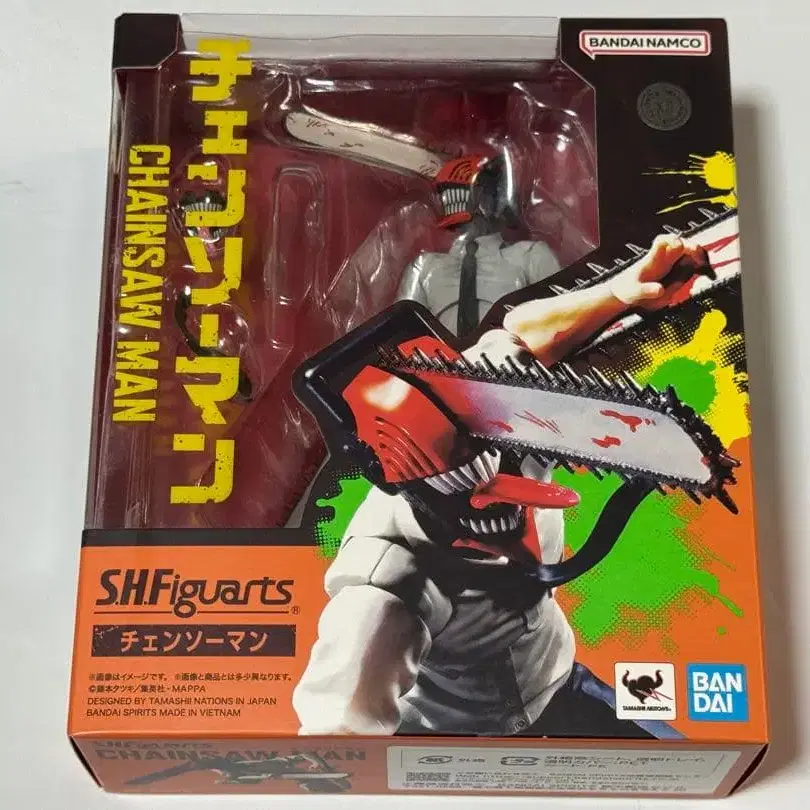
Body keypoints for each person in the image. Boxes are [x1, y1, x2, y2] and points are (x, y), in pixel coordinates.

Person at [292, 227, 707, 738]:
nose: (499, 498)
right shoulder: (385, 582)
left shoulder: (501, 404)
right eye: (473, 496)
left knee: (677, 752)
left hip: (557, 682)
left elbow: (520, 334)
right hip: (459, 735)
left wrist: (619, 293)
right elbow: (337, 734)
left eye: (500, 470)